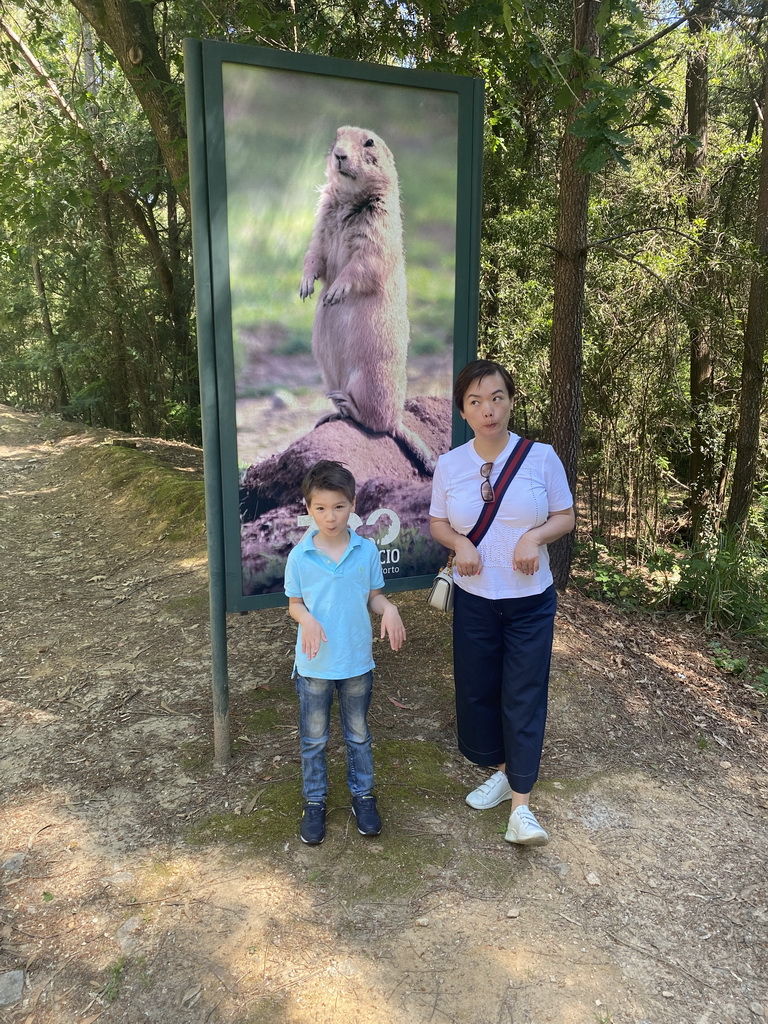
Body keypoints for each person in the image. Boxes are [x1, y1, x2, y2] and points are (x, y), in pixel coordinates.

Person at [429, 359, 575, 846]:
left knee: (523, 696)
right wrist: (461, 544)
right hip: (474, 601)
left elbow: (565, 516)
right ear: (463, 412)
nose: (488, 409)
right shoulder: (450, 465)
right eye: (475, 401)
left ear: (510, 401)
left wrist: (534, 537)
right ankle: (502, 771)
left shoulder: (541, 456)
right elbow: (437, 524)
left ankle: (522, 808)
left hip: (530, 601)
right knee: (479, 692)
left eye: (496, 397)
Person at [285, 460, 406, 845]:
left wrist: (389, 609)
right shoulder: (299, 556)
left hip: (356, 661)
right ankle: (315, 801)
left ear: (353, 504)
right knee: (314, 739)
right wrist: (306, 620)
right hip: (314, 664)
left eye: (338, 506)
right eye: (320, 508)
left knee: (358, 735)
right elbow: (294, 604)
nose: (330, 516)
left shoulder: (366, 550)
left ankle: (363, 796)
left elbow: (373, 596)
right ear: (308, 509)